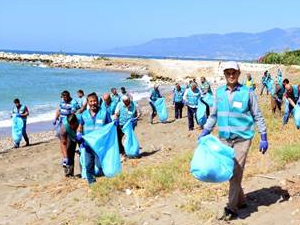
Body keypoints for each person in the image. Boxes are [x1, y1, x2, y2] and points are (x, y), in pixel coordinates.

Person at [198, 61, 268, 221]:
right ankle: (241, 201)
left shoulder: (247, 92)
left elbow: (257, 115)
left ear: (239, 73)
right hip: (224, 138)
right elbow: (214, 115)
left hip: (243, 138)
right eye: (228, 73)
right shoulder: (220, 92)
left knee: (236, 171)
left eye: (234, 72)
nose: (231, 75)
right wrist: (206, 130)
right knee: (230, 171)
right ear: (224, 74)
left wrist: (263, 135)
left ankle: (231, 208)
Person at [77, 92, 107, 184]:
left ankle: (106, 177)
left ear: (97, 102)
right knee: (88, 164)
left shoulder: (104, 113)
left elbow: (110, 126)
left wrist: (115, 125)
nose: (93, 103)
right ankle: (92, 182)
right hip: (88, 145)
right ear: (88, 102)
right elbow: (80, 126)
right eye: (91, 101)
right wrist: (78, 133)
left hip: (101, 145)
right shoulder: (84, 114)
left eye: (95, 101)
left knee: (101, 164)